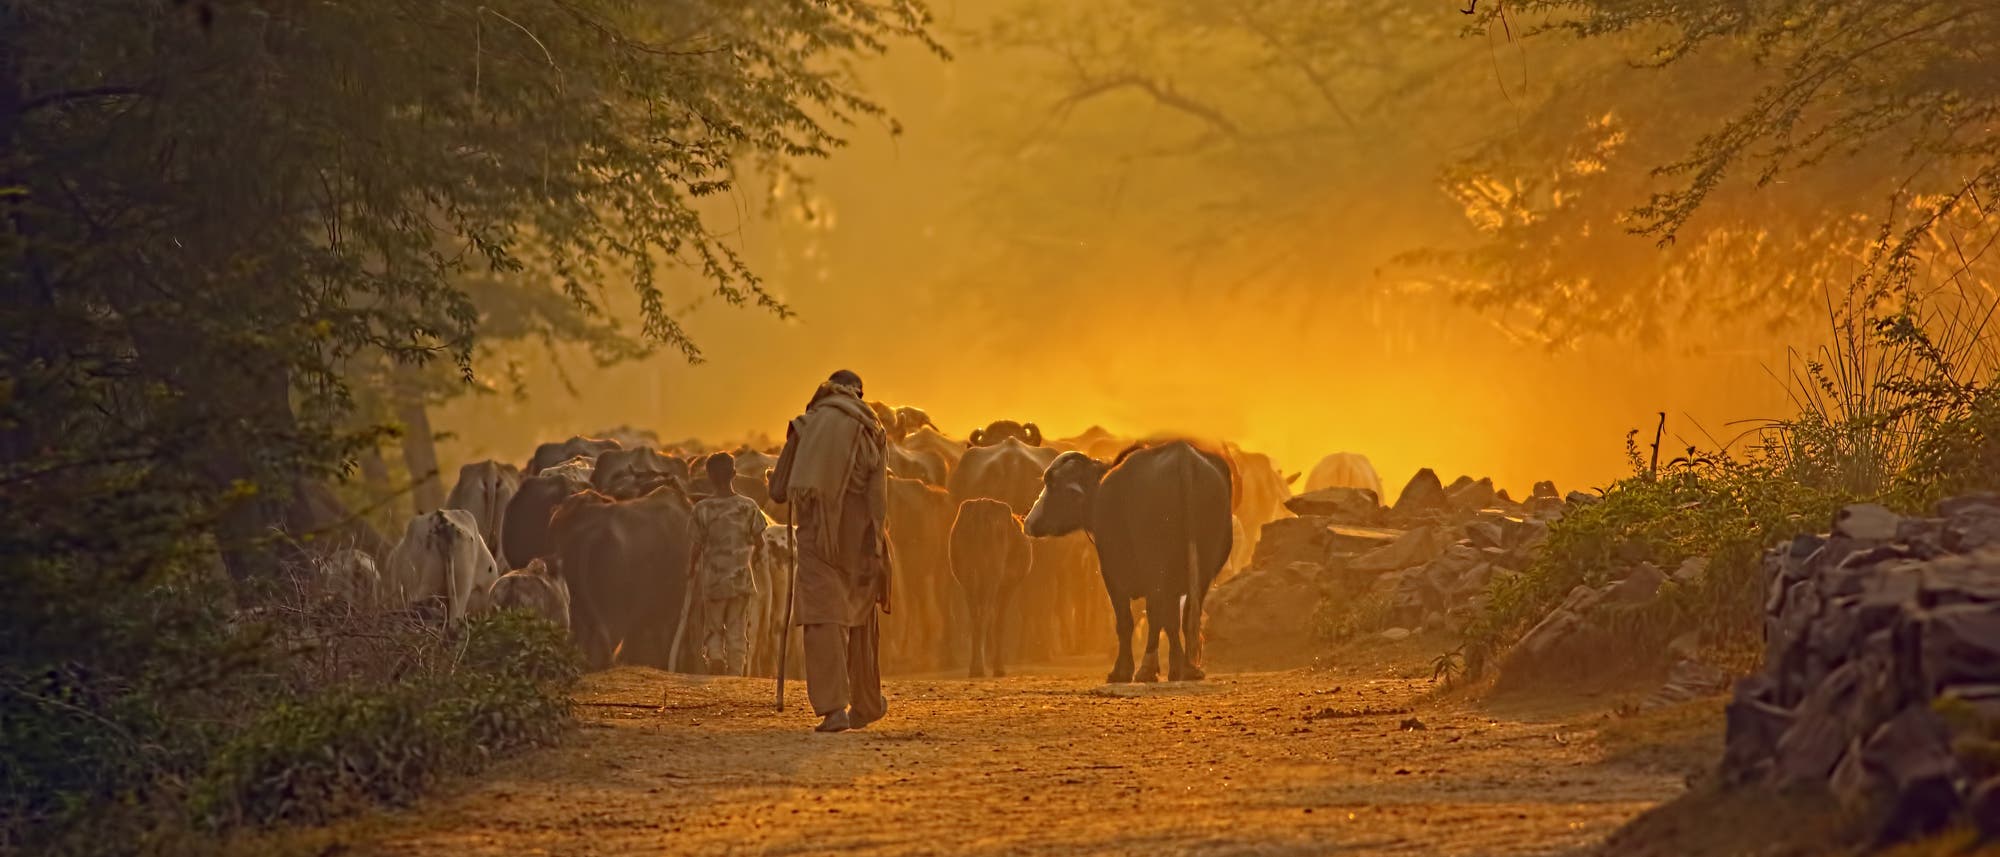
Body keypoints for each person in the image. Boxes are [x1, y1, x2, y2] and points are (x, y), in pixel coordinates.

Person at [768, 369, 890, 733]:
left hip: (817, 535)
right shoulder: (872, 428)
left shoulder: (805, 425)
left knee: (824, 617)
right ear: (858, 394)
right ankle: (866, 704)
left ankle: (834, 709)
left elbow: (777, 490)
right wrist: (879, 541)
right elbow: (878, 493)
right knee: (860, 616)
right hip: (861, 536)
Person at [688, 452, 767, 676]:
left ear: (709, 477)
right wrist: (754, 558)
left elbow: (696, 546)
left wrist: (691, 568)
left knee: (713, 625)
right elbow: (760, 542)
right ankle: (735, 672)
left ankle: (715, 657)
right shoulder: (749, 507)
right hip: (741, 579)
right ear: (734, 474)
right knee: (737, 628)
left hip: (713, 579)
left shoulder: (702, 509)